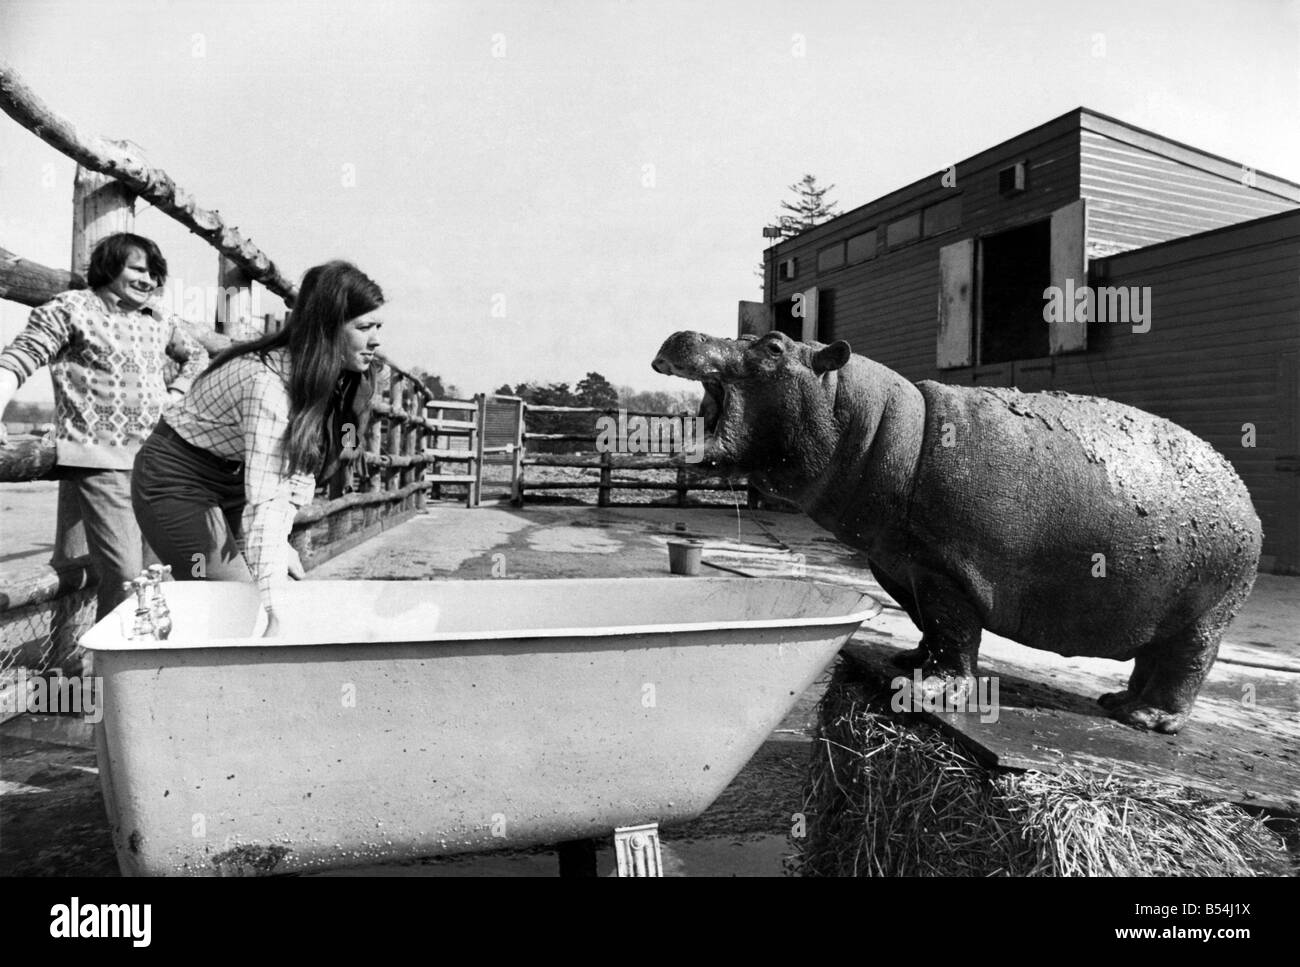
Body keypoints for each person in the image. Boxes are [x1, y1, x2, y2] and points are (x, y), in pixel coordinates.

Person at [131, 260, 383, 636]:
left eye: (378, 326)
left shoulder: (322, 377)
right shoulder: (267, 383)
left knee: (278, 585)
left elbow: (296, 474)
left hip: (235, 478)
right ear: (326, 329)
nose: (376, 339)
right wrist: (275, 611)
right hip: (177, 475)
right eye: (364, 327)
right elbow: (267, 502)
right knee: (237, 598)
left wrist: (280, 550)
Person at [0, 233, 208, 620]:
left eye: (155, 274)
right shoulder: (72, 307)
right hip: (102, 459)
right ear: (109, 266)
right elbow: (22, 356)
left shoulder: (158, 317)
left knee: (158, 571)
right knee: (128, 575)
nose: (149, 280)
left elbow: (197, 355)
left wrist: (177, 392)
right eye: (138, 269)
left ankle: (148, 660)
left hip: (157, 462)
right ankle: (113, 665)